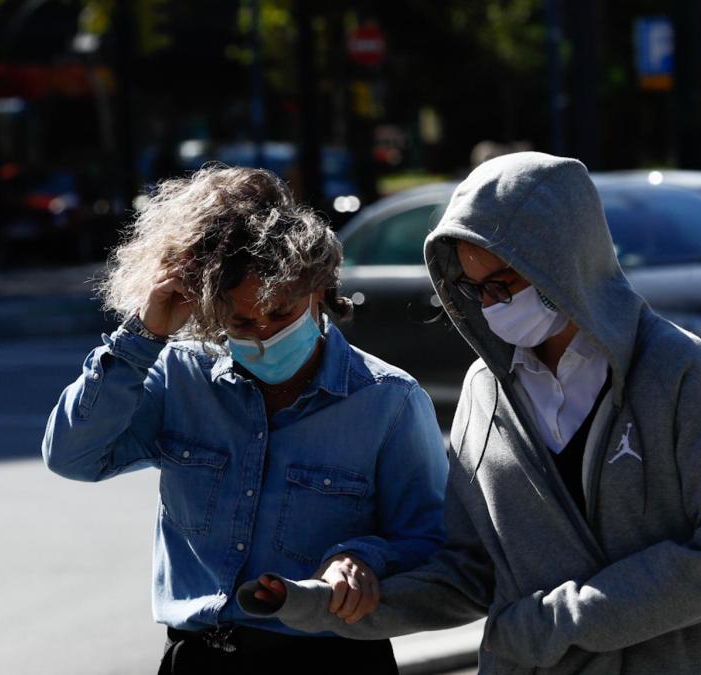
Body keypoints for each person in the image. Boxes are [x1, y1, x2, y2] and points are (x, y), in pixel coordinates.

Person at [236, 152, 701, 673]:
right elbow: (469, 571)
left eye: (504, 284)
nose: (491, 305)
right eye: (474, 289)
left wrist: (552, 623)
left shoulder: (673, 368)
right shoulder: (483, 392)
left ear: (561, 260)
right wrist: (325, 604)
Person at [41, 166, 447, 674]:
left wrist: (362, 559)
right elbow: (74, 456)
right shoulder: (180, 375)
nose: (263, 333)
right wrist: (142, 335)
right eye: (240, 321)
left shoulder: (389, 400)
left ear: (319, 291)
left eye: (281, 313)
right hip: (199, 657)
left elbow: (429, 538)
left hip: (331, 657)